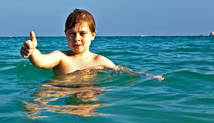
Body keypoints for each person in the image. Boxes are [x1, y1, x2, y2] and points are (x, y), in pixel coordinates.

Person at [20, 9, 164, 81]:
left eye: (82, 33)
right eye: (72, 33)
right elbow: (41, 61)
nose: (76, 38)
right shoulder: (61, 57)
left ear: (93, 35)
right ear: (65, 34)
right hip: (59, 89)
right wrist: (32, 51)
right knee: (38, 99)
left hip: (87, 90)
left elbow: (124, 72)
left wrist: (148, 76)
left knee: (90, 99)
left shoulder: (99, 61)